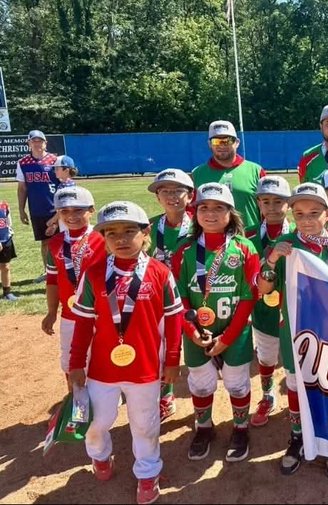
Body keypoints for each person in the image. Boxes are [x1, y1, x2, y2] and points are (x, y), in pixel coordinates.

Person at [69, 201, 183, 505]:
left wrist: (173, 359)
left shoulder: (160, 272)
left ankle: (147, 473)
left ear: (145, 233)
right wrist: (75, 364)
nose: (120, 239)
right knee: (96, 421)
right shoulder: (94, 274)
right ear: (103, 238)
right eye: (111, 233)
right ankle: (99, 454)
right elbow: (83, 323)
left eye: (129, 231)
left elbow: (174, 319)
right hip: (102, 369)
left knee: (145, 424)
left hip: (145, 368)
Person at [257, 183, 328, 477]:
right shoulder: (284, 243)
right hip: (295, 329)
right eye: (299, 213)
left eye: (314, 213)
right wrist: (272, 259)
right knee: (296, 383)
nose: (306, 220)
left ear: (327, 214)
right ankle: (297, 436)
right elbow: (263, 288)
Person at [175, 182, 260, 463]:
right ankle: (204, 427)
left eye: (218, 207)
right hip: (196, 333)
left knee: (237, 383)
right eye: (204, 207)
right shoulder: (184, 249)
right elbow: (179, 298)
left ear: (230, 212)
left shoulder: (244, 248)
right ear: (195, 212)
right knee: (200, 384)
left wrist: (228, 338)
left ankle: (241, 428)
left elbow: (249, 297)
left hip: (236, 331)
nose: (210, 213)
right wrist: (192, 332)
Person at [42, 186, 106, 391]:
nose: (71, 216)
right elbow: (52, 280)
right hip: (70, 315)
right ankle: (76, 401)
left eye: (78, 210)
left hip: (102, 314)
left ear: (91, 210)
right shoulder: (55, 243)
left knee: (103, 358)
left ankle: (106, 398)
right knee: (72, 361)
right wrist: (52, 312)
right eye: (64, 211)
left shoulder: (104, 238)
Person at [146, 168, 195, 421]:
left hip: (193, 296)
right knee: (160, 347)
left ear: (190, 196)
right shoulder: (149, 227)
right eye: (165, 191)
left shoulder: (201, 224)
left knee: (195, 346)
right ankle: (165, 395)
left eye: (178, 191)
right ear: (158, 197)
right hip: (160, 299)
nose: (171, 196)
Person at [245, 175, 293, 428]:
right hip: (262, 309)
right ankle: (267, 394)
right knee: (266, 356)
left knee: (295, 359)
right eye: (266, 201)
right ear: (258, 204)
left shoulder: (298, 234)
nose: (272, 207)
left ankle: (300, 399)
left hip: (293, 312)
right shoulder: (248, 235)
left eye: (278, 201)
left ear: (289, 203)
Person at [191, 120, 265, 228]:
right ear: (209, 144)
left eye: (227, 140)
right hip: (211, 237)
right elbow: (191, 211)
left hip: (250, 237)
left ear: (237, 142)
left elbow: (268, 209)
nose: (222, 145)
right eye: (216, 141)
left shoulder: (256, 171)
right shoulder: (197, 173)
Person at [15, 130, 59, 283]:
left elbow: (63, 183)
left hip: (57, 209)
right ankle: (48, 272)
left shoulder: (55, 160)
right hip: (37, 209)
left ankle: (65, 271)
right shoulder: (23, 163)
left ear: (45, 143)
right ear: (28, 143)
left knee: (62, 240)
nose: (37, 144)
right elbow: (22, 188)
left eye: (40, 141)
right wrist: (21, 210)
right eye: (34, 141)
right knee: (45, 242)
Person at [45, 155, 78, 237]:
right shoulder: (63, 184)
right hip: (65, 220)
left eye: (57, 169)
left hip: (69, 220)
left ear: (66, 170)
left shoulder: (67, 186)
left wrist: (53, 220)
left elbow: (66, 207)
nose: (54, 171)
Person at [0, 199, 18, 301]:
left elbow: (8, 223)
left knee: (5, 266)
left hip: (5, 239)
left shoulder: (4, 205)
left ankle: (7, 292)